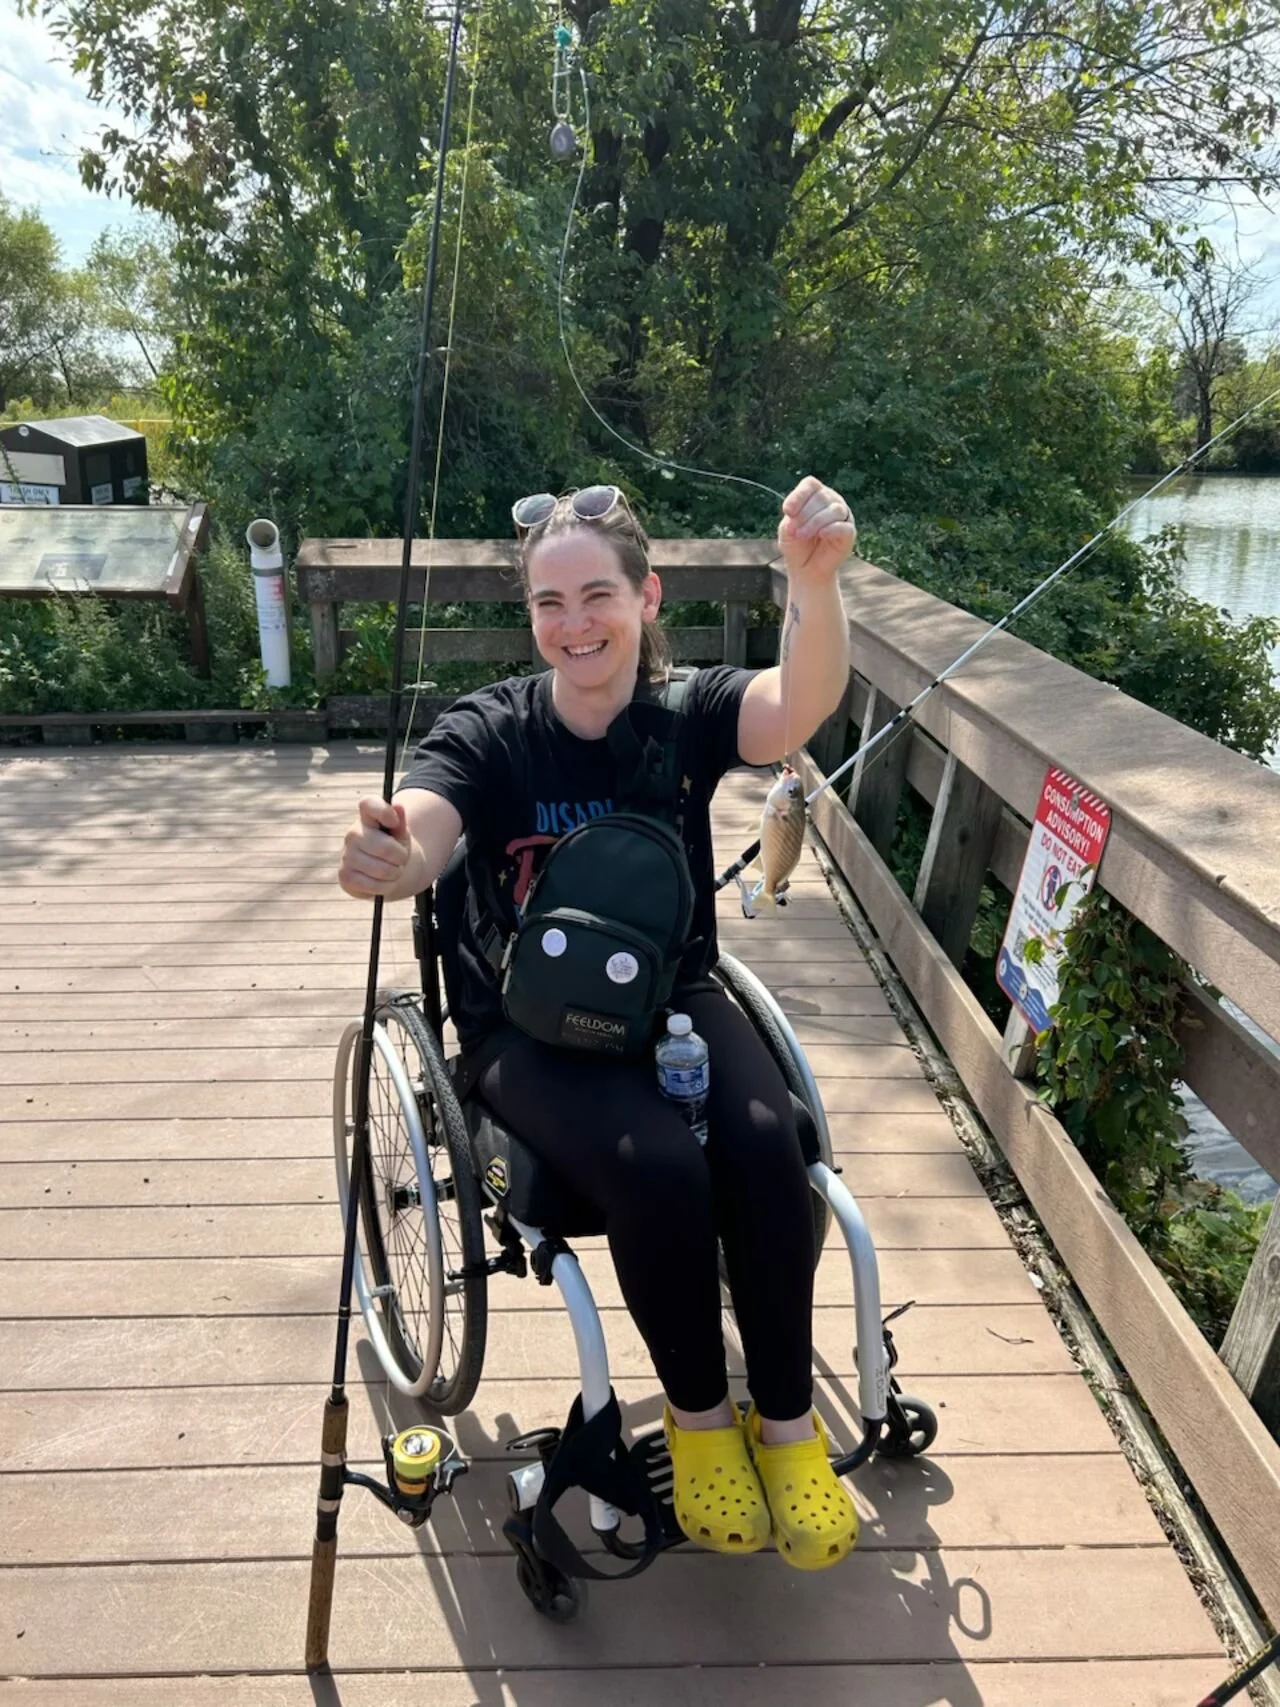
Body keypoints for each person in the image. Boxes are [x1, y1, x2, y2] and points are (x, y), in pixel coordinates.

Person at [337, 476, 858, 1570]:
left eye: (596, 596)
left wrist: (812, 586)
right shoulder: (492, 730)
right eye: (547, 604)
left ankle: (788, 1430)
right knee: (660, 1166)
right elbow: (430, 821)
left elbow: (795, 705)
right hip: (523, 1030)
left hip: (670, 996)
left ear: (646, 598)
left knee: (771, 1143)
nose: (573, 624)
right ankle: (700, 1423)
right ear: (529, 617)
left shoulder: (689, 715)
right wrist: (393, 855)